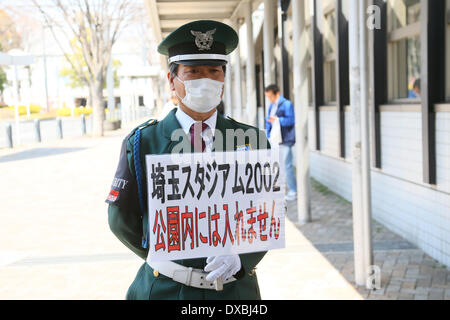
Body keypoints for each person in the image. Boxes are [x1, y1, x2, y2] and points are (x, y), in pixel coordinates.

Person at [106, 20, 270, 300]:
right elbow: (120, 219)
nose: (205, 80)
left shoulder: (250, 140)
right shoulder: (143, 141)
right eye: (193, 72)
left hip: (234, 291)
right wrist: (168, 258)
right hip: (166, 290)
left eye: (213, 71)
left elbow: (269, 210)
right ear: (173, 80)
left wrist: (242, 257)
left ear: (223, 78)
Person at [264, 84, 297, 201]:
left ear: (277, 93)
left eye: (270, 96)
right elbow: (268, 121)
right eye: (267, 97)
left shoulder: (287, 104)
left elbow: (291, 120)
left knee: (287, 166)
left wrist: (277, 120)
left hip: (285, 139)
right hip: (274, 140)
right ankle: (284, 189)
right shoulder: (271, 106)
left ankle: (294, 190)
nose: (269, 99)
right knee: (278, 166)